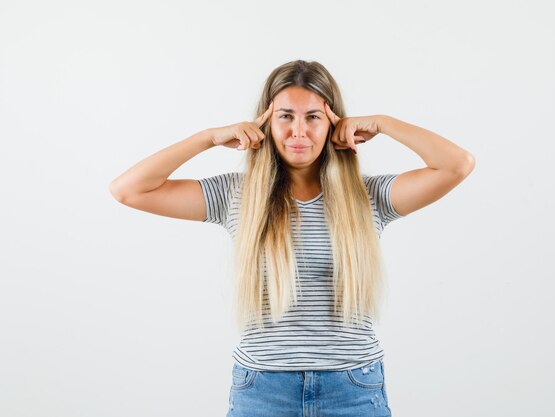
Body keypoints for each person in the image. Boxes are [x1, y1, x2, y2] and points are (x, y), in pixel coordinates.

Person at [109, 59, 475, 417]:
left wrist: (383, 123)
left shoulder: (369, 197)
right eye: (285, 116)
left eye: (313, 117)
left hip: (353, 389)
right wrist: (209, 138)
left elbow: (457, 164)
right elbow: (129, 190)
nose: (298, 131)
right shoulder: (236, 195)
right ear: (265, 123)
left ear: (333, 123)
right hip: (263, 391)